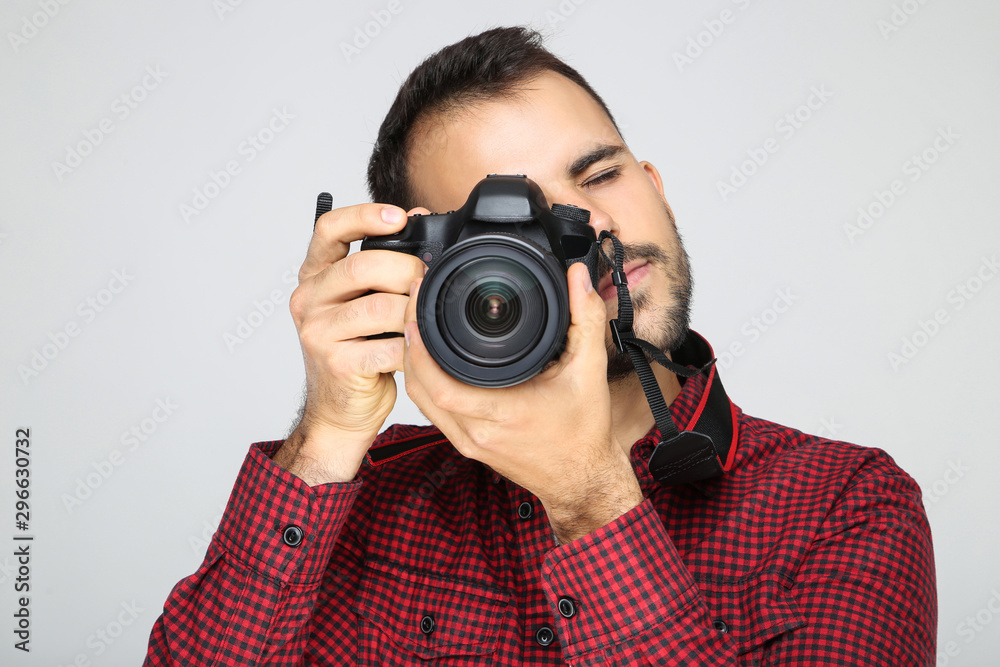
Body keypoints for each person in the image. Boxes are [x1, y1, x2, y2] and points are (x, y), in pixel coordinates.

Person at [144, 26, 936, 665]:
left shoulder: (846, 506)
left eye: (600, 176)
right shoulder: (360, 504)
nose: (595, 228)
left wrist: (588, 497)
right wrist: (324, 440)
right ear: (424, 272)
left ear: (654, 185)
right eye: (517, 224)